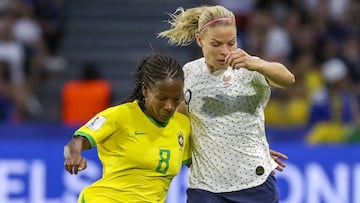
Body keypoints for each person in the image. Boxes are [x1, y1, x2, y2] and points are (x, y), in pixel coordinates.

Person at [158, 5, 295, 203]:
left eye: (231, 43)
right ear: (200, 40)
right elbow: (180, 121)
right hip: (206, 188)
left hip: (254, 183)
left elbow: (288, 79)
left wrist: (256, 63)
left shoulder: (249, 66)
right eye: (216, 44)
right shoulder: (189, 74)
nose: (225, 51)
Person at [63, 53, 192, 202]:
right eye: (161, 98)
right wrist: (74, 155)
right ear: (145, 90)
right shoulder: (121, 116)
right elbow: (78, 141)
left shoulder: (182, 125)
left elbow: (198, 167)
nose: (169, 106)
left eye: (176, 99)